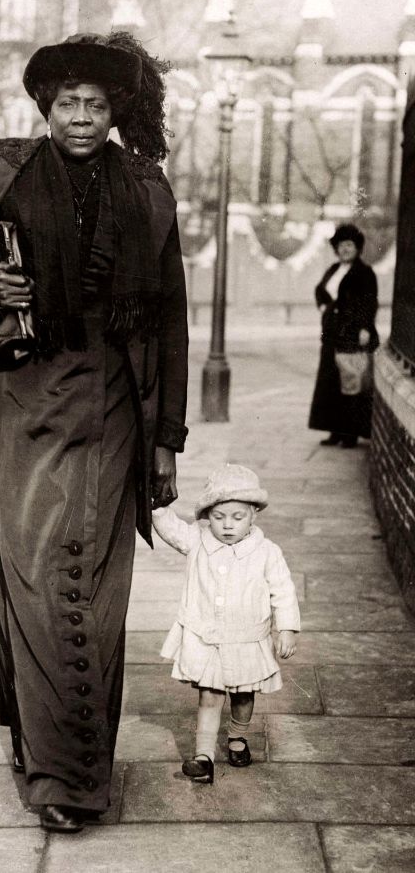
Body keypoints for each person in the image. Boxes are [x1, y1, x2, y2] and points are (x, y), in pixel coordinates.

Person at [0, 33, 189, 832]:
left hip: (113, 399)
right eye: (68, 103)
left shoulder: (147, 190)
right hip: (22, 398)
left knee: (94, 587)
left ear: (116, 113)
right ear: (45, 108)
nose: (81, 118)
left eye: (97, 105)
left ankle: (71, 774)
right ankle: (50, 759)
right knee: (34, 577)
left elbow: (172, 317)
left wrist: (167, 436)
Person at [152, 464, 300, 785]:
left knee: (244, 696)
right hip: (209, 638)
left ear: (253, 516)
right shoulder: (197, 540)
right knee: (209, 695)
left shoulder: (266, 552)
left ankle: (237, 738)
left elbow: (283, 589)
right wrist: (157, 505)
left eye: (237, 517)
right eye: (219, 518)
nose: (228, 526)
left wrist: (286, 627)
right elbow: (171, 528)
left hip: (247, 639)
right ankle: (203, 756)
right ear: (207, 516)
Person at [308, 223, 379, 448]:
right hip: (330, 334)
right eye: (341, 245)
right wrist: (324, 308)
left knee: (351, 381)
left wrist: (365, 328)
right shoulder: (333, 269)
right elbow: (320, 290)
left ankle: (350, 434)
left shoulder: (364, 272)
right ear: (336, 248)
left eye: (349, 245)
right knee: (330, 382)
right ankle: (334, 432)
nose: (345, 249)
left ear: (357, 248)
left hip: (352, 333)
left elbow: (370, 302)